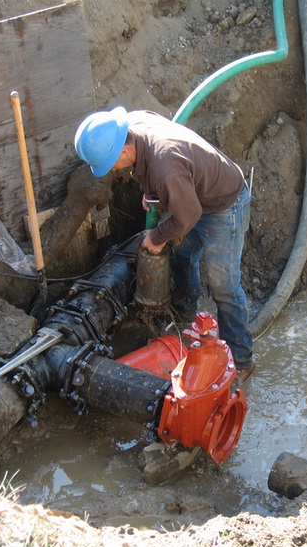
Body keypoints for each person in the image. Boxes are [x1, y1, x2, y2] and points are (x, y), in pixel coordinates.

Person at [74, 107, 255, 382]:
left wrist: (158, 237)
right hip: (192, 195)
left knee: (224, 285)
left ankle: (241, 360)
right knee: (182, 257)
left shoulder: (165, 167)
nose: (112, 170)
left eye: (111, 164)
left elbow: (188, 215)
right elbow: (159, 176)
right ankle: (185, 319)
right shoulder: (132, 124)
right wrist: (152, 193)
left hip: (224, 204)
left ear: (124, 150)